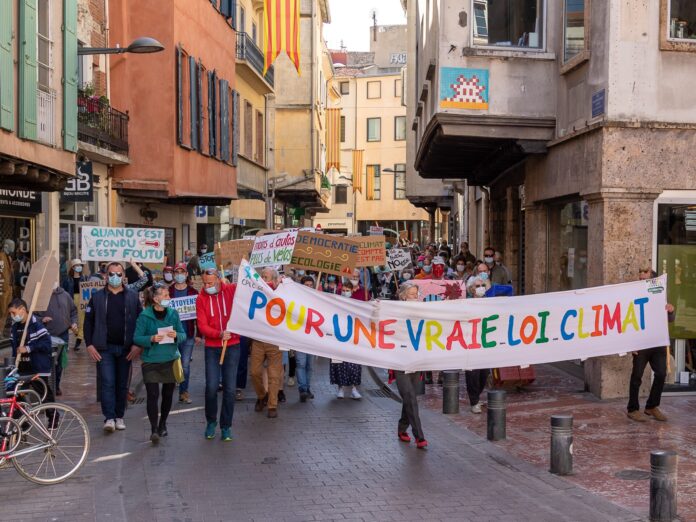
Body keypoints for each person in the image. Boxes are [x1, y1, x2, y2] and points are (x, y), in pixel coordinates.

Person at [83, 262, 143, 433]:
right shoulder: (97, 297)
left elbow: (141, 322)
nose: (114, 277)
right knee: (108, 382)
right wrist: (89, 345)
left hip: (126, 348)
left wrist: (138, 344)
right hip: (105, 348)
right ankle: (109, 418)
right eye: (111, 274)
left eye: (118, 274)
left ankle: (119, 416)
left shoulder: (132, 296)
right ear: (106, 276)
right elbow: (88, 322)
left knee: (122, 384)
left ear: (124, 276)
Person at [134, 284, 187, 444]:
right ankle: (154, 429)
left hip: (170, 359)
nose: (168, 298)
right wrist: (151, 339)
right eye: (165, 295)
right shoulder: (145, 316)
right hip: (151, 361)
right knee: (152, 395)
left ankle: (163, 422)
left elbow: (183, 335)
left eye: (168, 295)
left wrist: (176, 335)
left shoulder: (173, 314)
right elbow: (136, 337)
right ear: (156, 299)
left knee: (168, 395)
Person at [196, 268, 240, 441]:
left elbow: (252, 287)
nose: (207, 286)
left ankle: (226, 426)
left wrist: (274, 283)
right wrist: (219, 334)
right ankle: (211, 421)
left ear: (219, 280)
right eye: (205, 283)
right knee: (211, 387)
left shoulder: (230, 290)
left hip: (233, 345)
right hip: (213, 347)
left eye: (211, 283)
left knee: (230, 389)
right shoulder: (201, 299)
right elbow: (202, 325)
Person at [627, 267, 676, 422]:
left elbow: (669, 319)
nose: (642, 281)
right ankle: (632, 409)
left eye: (646, 279)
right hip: (640, 344)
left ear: (653, 281)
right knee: (637, 377)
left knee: (661, 374)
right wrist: (630, 344)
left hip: (657, 343)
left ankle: (651, 407)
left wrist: (670, 311)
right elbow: (627, 321)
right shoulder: (631, 296)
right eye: (640, 279)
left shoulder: (660, 295)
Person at [391, 283, 427, 449]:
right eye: (412, 294)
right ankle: (419, 436)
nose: (415, 297)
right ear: (404, 296)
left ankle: (401, 427)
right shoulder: (395, 311)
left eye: (416, 294)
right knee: (411, 398)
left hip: (416, 360)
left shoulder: (423, 312)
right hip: (400, 361)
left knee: (409, 398)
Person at [250, 268, 284, 418]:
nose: (264, 279)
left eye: (267, 277)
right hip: (258, 339)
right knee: (254, 372)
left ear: (276, 280)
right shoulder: (254, 292)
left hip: (275, 341)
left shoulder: (282, 294)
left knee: (274, 375)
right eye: (262, 276)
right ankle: (261, 396)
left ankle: (272, 405)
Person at [330, 271, 367, 399]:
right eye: (344, 290)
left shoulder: (356, 303)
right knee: (339, 363)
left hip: (354, 336)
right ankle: (340, 388)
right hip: (339, 337)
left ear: (352, 291)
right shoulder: (336, 302)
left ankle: (354, 389)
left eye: (348, 290)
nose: (345, 292)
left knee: (355, 364)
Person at [36, 283, 77, 396]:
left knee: (59, 364)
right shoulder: (40, 297)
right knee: (46, 363)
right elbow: (32, 315)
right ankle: (46, 388)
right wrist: (42, 319)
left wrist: (74, 322)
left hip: (62, 335)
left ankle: (56, 385)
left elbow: (73, 311)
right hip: (45, 335)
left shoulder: (66, 295)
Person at [169, 263, 198, 404]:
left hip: (188, 334)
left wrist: (200, 334)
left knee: (185, 365)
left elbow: (199, 314)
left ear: (186, 274)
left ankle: (183, 392)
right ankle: (169, 389)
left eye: (182, 272)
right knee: (172, 363)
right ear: (174, 275)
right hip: (171, 335)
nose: (179, 274)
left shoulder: (193, 292)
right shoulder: (167, 292)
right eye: (177, 272)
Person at [465, 275, 491, 413]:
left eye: (482, 286)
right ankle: (473, 401)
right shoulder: (466, 304)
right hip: (471, 344)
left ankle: (477, 395)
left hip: (485, 344)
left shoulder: (490, 303)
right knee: (473, 374)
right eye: (477, 286)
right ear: (471, 289)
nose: (480, 288)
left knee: (484, 373)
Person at [296, 275, 316, 403]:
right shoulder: (296, 300)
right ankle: (302, 389)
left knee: (309, 365)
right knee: (300, 363)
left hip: (313, 337)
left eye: (310, 285)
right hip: (299, 336)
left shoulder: (316, 299)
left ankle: (307, 388)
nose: (308, 287)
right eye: (306, 285)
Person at [61, 259, 87, 351]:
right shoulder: (67, 279)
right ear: (73, 267)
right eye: (77, 265)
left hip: (82, 301)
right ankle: (77, 333)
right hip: (71, 300)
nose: (79, 267)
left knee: (81, 320)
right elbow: (63, 291)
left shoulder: (85, 278)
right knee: (70, 321)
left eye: (80, 265)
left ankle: (79, 340)